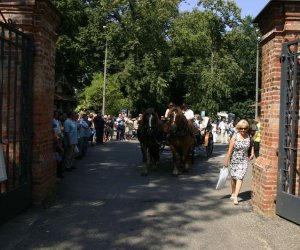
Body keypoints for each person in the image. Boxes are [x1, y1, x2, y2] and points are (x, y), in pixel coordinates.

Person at [224, 119, 254, 205]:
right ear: (238, 128)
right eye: (241, 128)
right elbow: (230, 150)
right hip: (234, 159)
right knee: (233, 177)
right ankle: (233, 192)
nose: (243, 130)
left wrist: (252, 153)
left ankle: (236, 196)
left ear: (247, 128)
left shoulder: (249, 136)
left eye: (245, 128)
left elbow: (251, 145)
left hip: (244, 160)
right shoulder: (234, 137)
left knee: (240, 177)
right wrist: (226, 161)